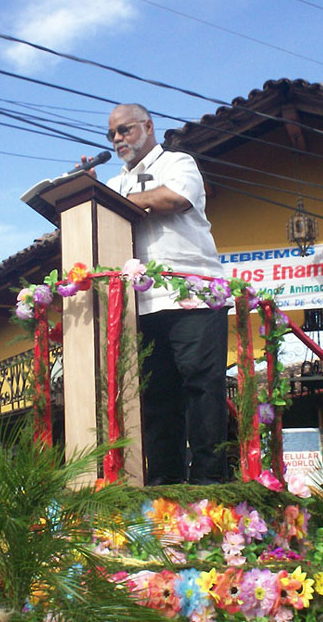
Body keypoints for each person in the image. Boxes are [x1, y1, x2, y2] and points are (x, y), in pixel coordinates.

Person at [82, 103, 228, 485]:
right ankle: (165, 483)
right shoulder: (114, 184)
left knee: (201, 387)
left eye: (124, 130)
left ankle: (211, 481)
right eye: (111, 134)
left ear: (148, 126)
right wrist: (90, 193)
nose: (117, 139)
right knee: (157, 396)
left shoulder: (177, 163)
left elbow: (175, 198)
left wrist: (115, 201)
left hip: (194, 295)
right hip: (141, 305)